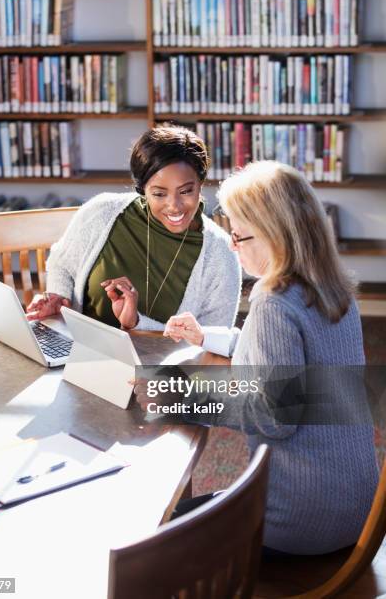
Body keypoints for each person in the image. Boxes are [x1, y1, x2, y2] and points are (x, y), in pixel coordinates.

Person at [155, 160, 379, 555]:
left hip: (301, 522)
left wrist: (177, 396)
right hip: (356, 512)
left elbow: (273, 416)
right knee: (197, 511)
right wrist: (211, 338)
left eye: (239, 236)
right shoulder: (333, 289)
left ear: (276, 236)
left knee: (158, 526)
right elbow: (292, 363)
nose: (231, 245)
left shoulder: (273, 303)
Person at [26, 126, 241, 330]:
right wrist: (57, 297)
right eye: (159, 194)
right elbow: (62, 265)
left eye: (186, 191)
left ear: (201, 184)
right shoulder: (102, 211)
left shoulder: (222, 255)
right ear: (142, 189)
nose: (174, 206)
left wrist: (137, 324)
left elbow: (211, 348)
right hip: (78, 355)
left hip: (155, 369)